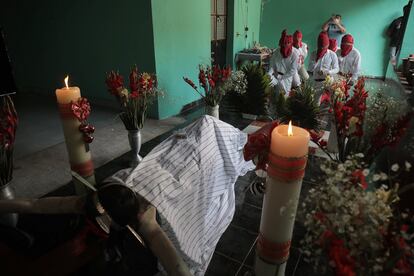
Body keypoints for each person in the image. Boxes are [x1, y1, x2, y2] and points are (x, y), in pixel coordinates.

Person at [268, 30, 300, 95]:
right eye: (282, 45)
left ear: (290, 43)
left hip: (286, 78)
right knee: (276, 95)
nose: (284, 47)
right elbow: (272, 64)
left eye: (286, 44)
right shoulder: (277, 51)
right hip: (276, 76)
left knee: (284, 96)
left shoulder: (295, 54)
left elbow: (292, 70)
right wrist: (269, 73)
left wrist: (281, 77)